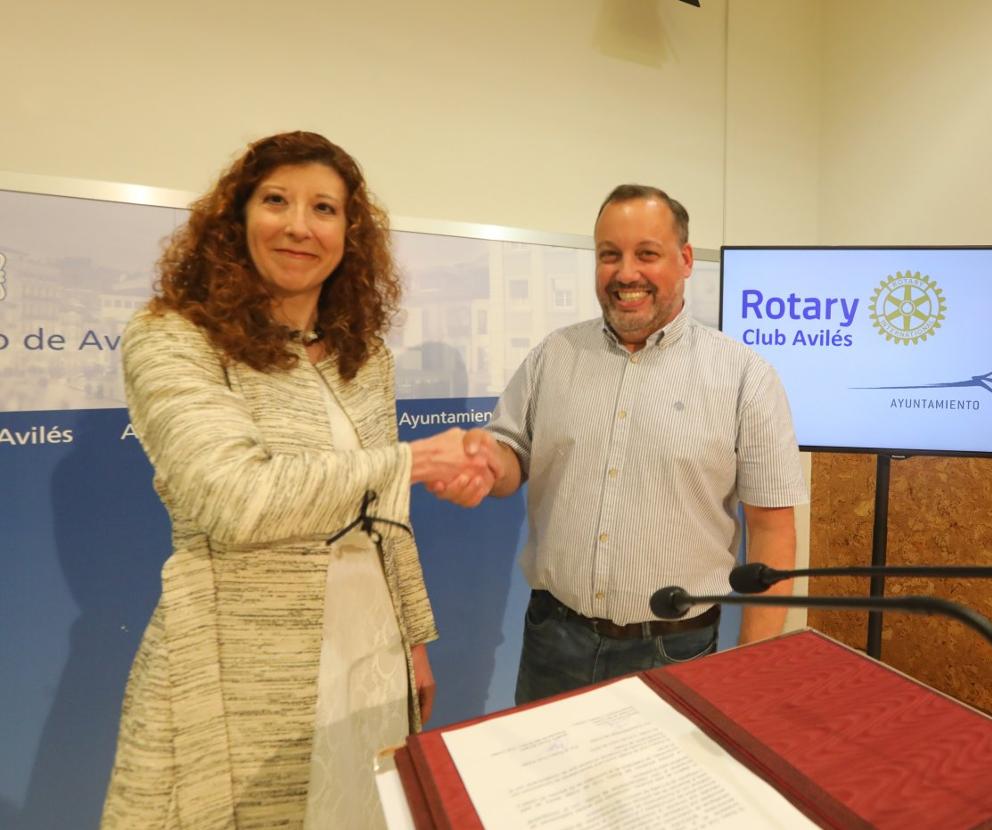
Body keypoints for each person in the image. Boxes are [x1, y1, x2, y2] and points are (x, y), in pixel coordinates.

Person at [102, 131, 491, 829]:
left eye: (324, 209)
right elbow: (234, 499)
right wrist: (414, 461)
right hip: (237, 653)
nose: (299, 226)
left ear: (349, 232)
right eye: (276, 200)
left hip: (368, 638)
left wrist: (413, 643)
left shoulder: (361, 354)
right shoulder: (172, 337)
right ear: (237, 218)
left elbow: (384, 517)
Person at [433, 184, 808, 704]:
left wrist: (749, 670)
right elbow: (511, 452)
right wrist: (484, 464)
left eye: (646, 254)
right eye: (610, 255)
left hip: (674, 650)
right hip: (552, 641)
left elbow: (771, 531)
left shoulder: (746, 377)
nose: (626, 273)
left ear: (684, 261)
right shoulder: (554, 356)